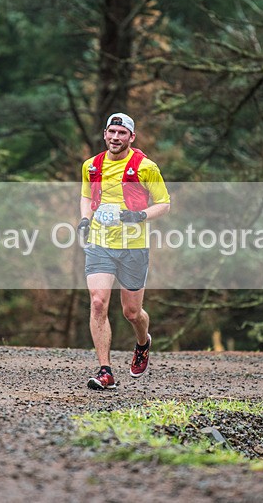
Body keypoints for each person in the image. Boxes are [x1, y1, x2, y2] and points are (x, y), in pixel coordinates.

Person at [78, 112, 171, 390]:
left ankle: (143, 343)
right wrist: (84, 220)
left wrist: (138, 216)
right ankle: (105, 371)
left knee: (132, 313)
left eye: (122, 134)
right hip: (100, 244)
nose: (115, 138)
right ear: (105, 134)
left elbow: (164, 204)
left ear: (132, 137)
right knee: (97, 303)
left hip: (133, 246)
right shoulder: (91, 165)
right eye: (111, 132)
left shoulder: (146, 167)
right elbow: (86, 195)